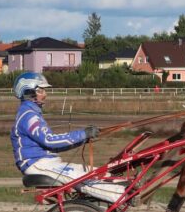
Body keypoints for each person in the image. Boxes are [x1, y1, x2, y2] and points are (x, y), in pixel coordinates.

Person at [10, 72, 125, 203]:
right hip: (36, 164)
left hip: (47, 162)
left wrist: (83, 138)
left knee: (97, 173)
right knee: (85, 179)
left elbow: (53, 145)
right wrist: (83, 134)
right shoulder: (28, 116)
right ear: (28, 92)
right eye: (40, 90)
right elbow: (50, 141)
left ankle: (121, 190)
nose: (45, 94)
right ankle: (123, 196)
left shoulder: (31, 114)